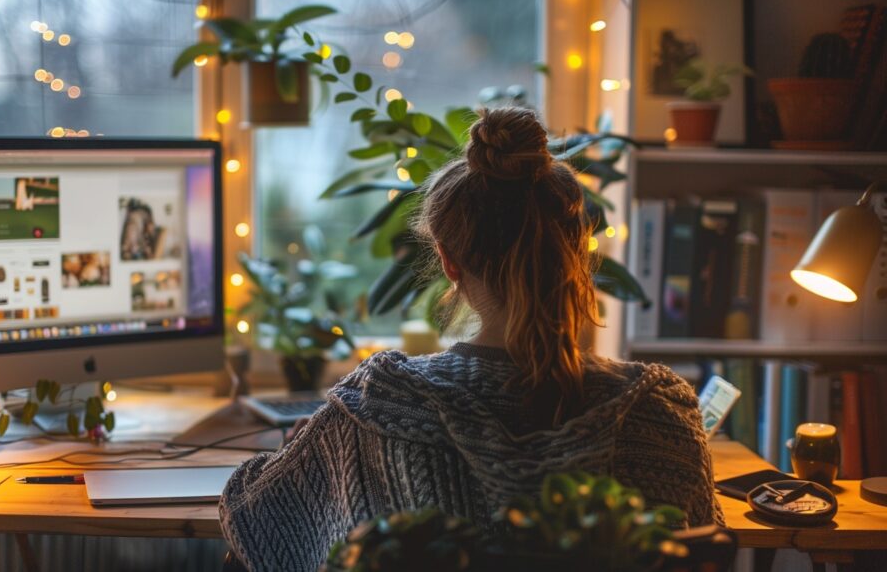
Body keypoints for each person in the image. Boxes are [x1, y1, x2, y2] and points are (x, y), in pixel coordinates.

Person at [220, 106, 724, 571]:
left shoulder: (382, 402)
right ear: (578, 245)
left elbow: (253, 511)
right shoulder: (661, 412)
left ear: (448, 260)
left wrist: (314, 446)